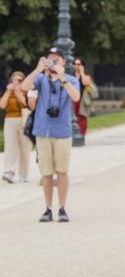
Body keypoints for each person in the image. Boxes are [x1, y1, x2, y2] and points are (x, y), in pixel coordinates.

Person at [21, 48, 81, 222]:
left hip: (62, 132)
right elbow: (25, 87)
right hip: (43, 131)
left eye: (57, 59)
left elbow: (76, 97)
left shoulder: (70, 79)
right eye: (50, 59)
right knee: (46, 173)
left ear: (63, 62)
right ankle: (47, 208)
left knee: (62, 171)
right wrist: (38, 69)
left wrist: (62, 78)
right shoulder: (40, 79)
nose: (53, 62)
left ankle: (62, 208)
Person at [2, 71, 31, 183]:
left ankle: (23, 174)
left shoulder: (26, 91)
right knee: (10, 147)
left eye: (19, 80)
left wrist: (18, 93)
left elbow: (27, 104)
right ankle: (9, 171)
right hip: (10, 120)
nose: (16, 82)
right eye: (13, 80)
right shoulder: (8, 91)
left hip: (24, 120)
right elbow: (2, 105)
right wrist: (9, 91)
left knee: (25, 148)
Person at [71, 58, 97, 136]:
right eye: (75, 64)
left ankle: (82, 134)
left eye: (79, 64)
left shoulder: (86, 75)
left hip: (82, 100)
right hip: (73, 99)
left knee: (82, 117)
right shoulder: (71, 75)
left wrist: (82, 72)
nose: (76, 66)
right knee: (72, 117)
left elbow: (85, 83)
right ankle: (73, 135)